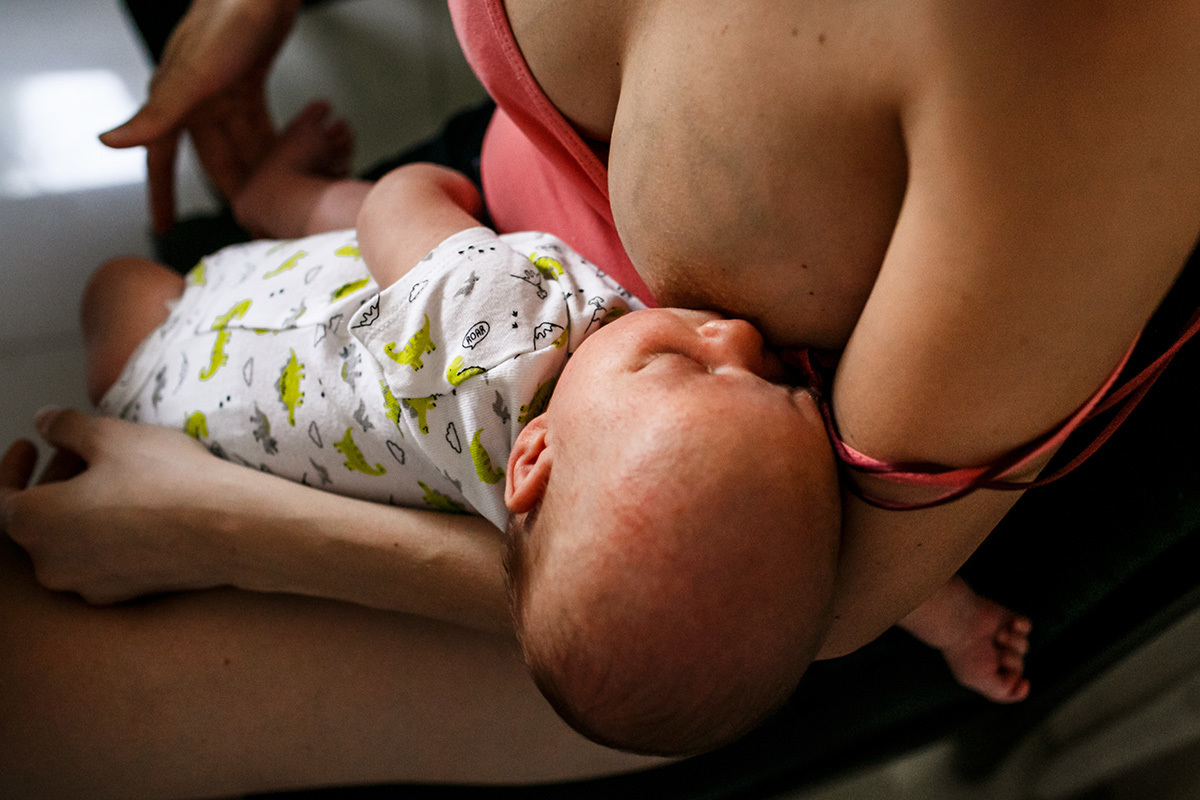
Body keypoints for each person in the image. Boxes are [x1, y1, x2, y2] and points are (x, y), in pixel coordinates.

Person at [1, 0, 1197, 793]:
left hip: (739, 583)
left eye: (746, 367)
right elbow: (381, 223)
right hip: (414, 340)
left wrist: (214, 522)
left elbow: (814, 598)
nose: (735, 334)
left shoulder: (1087, 66)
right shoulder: (513, 331)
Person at [86, 104, 1030, 757]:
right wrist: (955, 623)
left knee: (126, 285)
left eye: (684, 364)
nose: (739, 337)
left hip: (202, 351)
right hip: (208, 423)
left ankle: (267, 194)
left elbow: (386, 215)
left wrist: (432, 189)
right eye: (782, 387)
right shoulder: (573, 534)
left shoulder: (510, 329)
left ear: (534, 460)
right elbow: (840, 571)